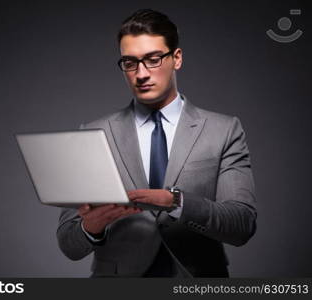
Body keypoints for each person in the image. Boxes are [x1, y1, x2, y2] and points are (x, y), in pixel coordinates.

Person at [56, 9, 256, 277]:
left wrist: (177, 201)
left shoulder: (223, 130)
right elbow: (69, 245)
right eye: (129, 63)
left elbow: (242, 225)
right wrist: (90, 227)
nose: (140, 74)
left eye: (152, 59)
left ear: (177, 58)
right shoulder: (93, 133)